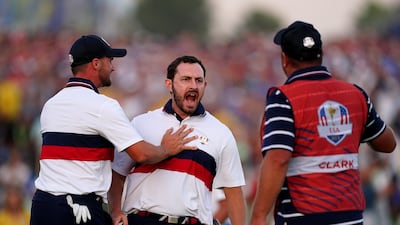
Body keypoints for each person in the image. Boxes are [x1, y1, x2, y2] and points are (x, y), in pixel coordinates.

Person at [30, 35, 197, 225]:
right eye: (109, 60)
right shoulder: (103, 106)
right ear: (95, 63)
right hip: (77, 207)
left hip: (42, 205)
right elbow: (140, 154)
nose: (113, 66)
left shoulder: (51, 104)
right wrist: (166, 149)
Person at [249, 21, 397, 225]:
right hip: (350, 217)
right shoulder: (355, 94)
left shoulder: (282, 97)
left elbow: (278, 159)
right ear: (320, 55)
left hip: (304, 216)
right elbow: (388, 143)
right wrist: (354, 123)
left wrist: (258, 216)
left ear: (284, 59)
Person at [108, 55, 247, 225]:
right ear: (169, 84)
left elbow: (234, 193)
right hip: (141, 220)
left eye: (199, 80)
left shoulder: (221, 133)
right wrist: (115, 212)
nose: (193, 86)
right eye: (186, 79)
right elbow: (118, 174)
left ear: (205, 85)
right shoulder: (141, 123)